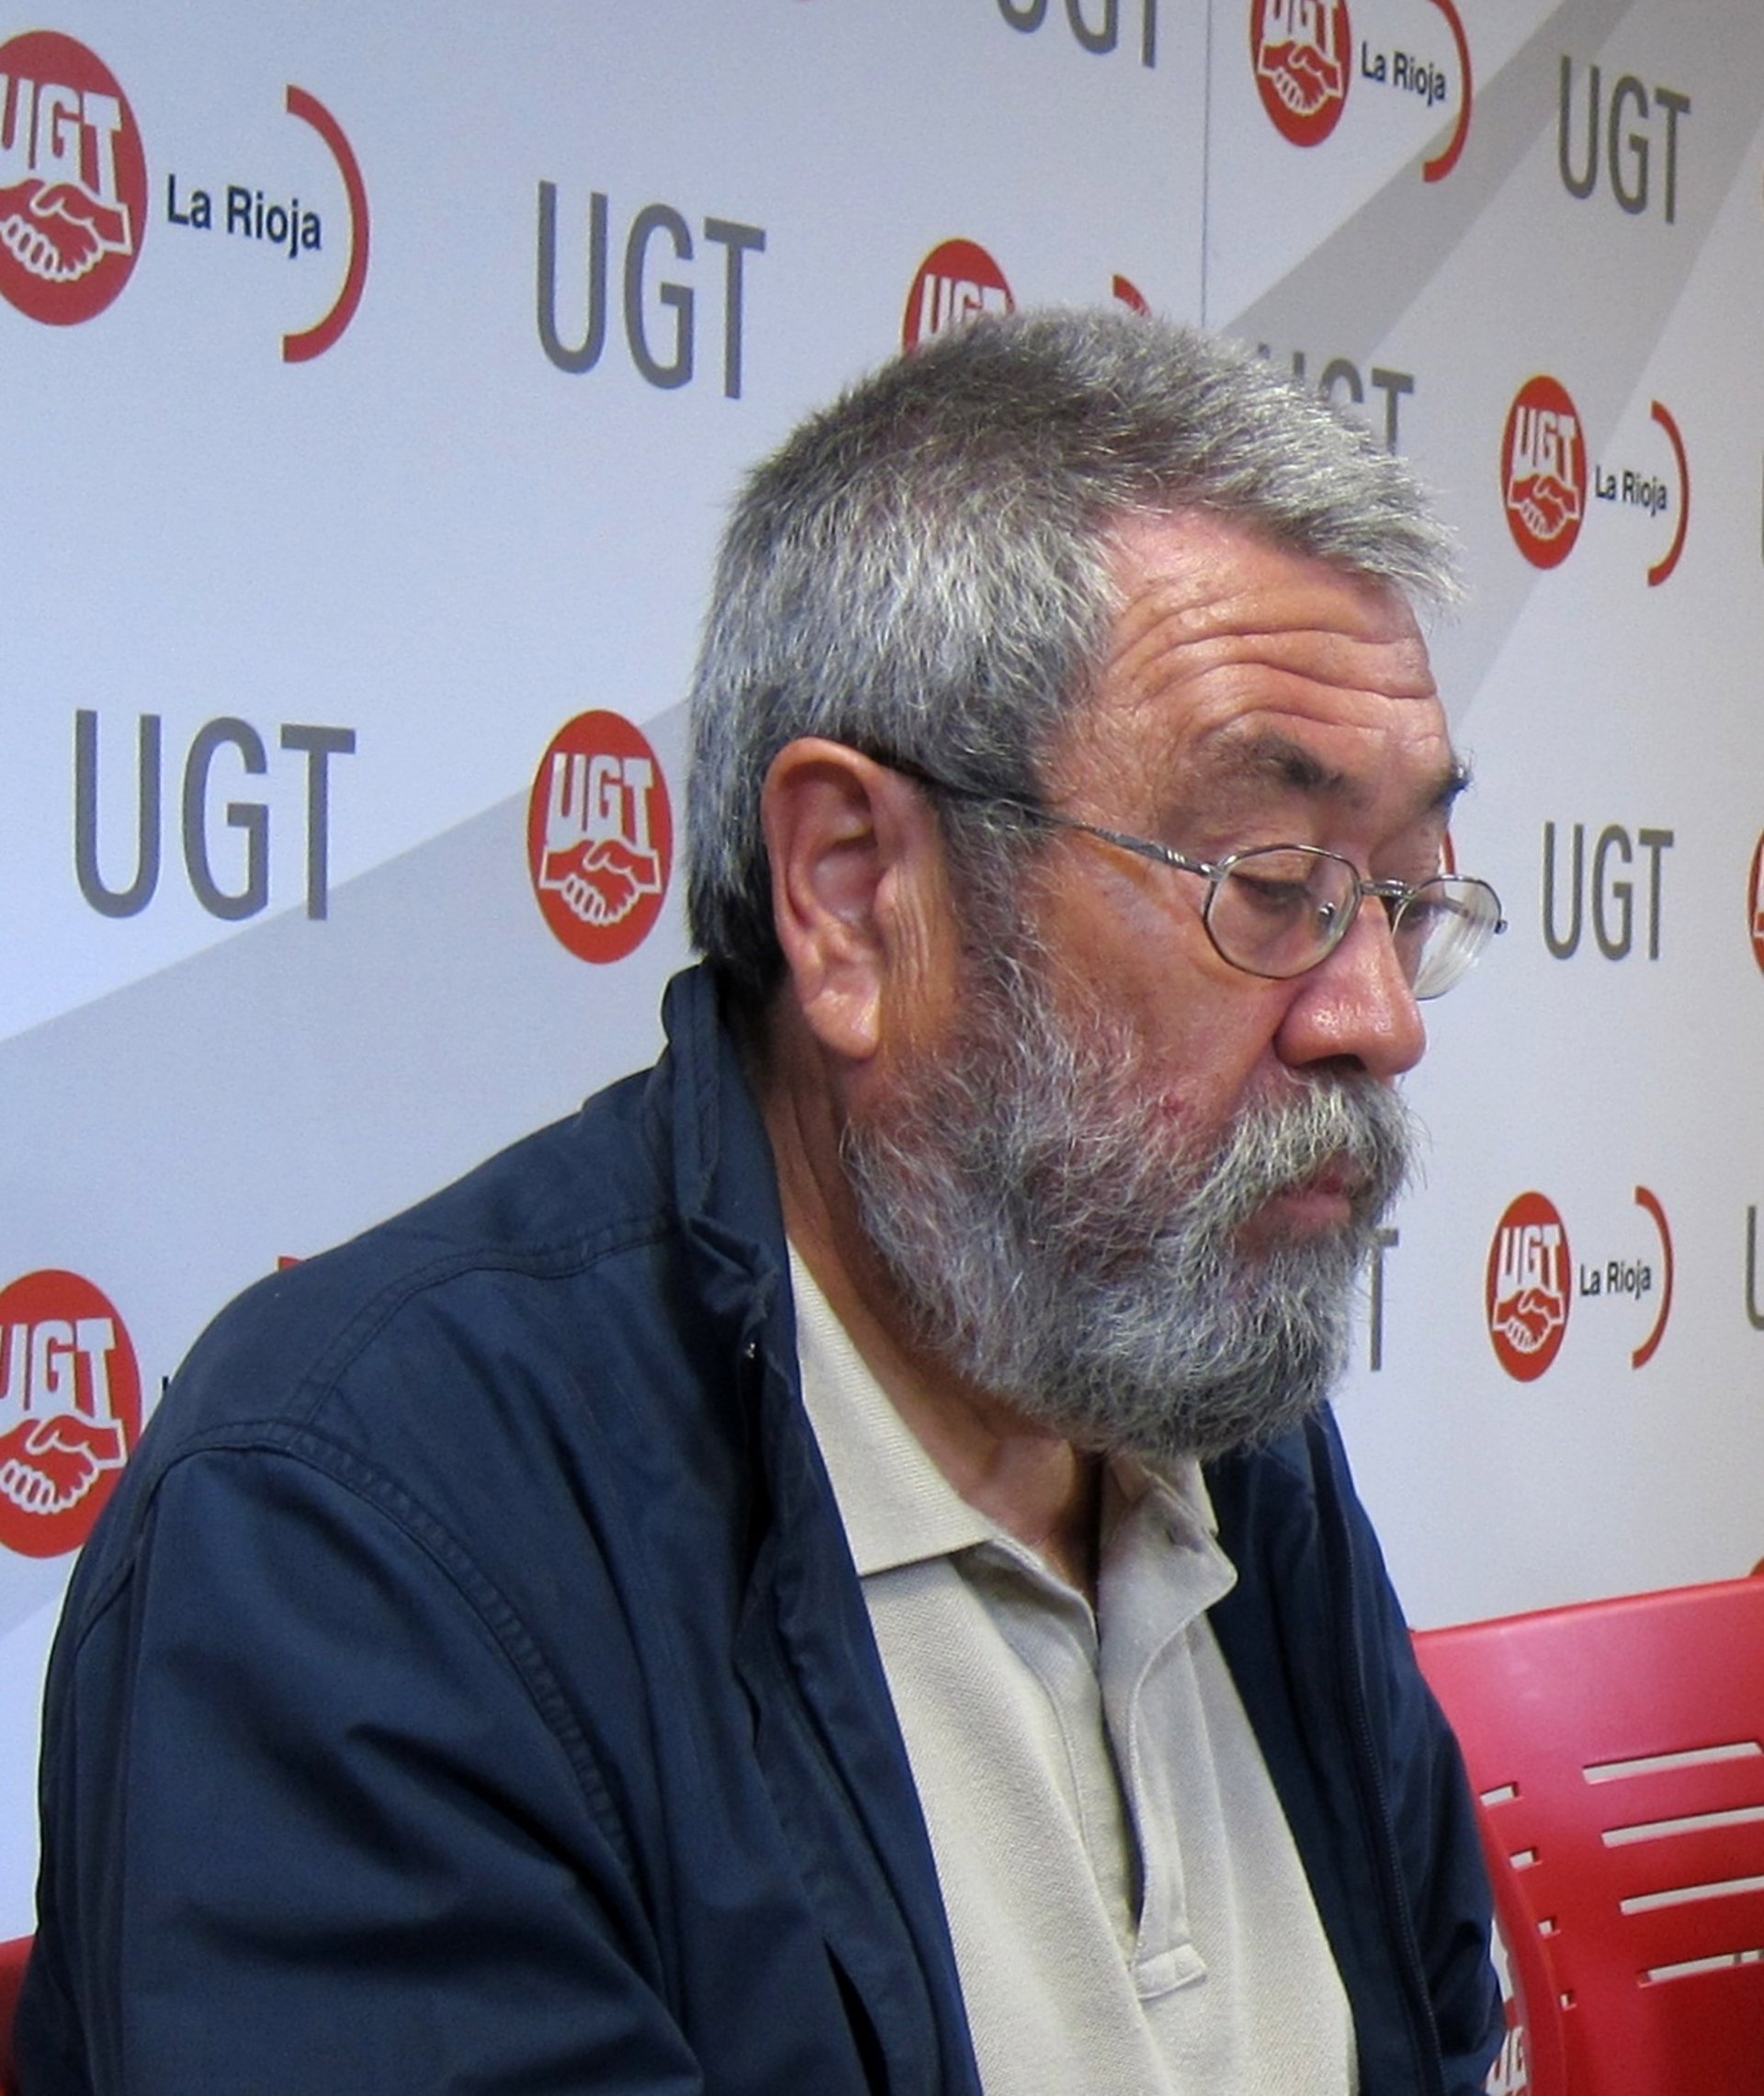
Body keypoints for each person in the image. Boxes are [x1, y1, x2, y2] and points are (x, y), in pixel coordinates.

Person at [17, 310, 1506, 2095]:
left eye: (1407, 892)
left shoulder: (1214, 1413)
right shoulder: (349, 1540)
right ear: (854, 895)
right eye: (1270, 884)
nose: (1380, 1018)